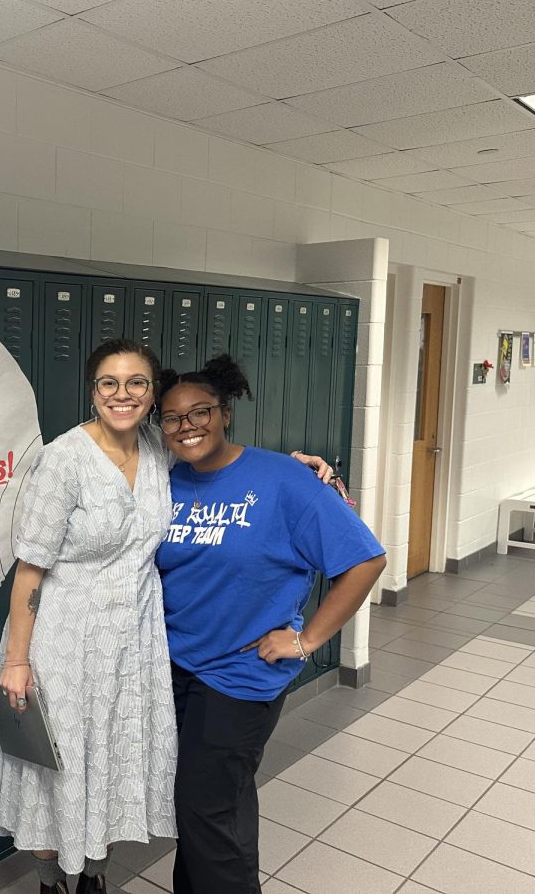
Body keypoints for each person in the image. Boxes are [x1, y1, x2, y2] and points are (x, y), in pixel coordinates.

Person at [0, 339, 331, 894]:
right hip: (64, 641)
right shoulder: (63, 459)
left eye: (136, 383)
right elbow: (29, 571)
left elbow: (214, 453)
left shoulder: (157, 446)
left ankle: (95, 876)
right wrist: (18, 660)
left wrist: (295, 469)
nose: (123, 394)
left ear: (151, 394)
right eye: (109, 384)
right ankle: (50, 879)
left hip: (138, 641)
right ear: (92, 392)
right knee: (52, 772)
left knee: (114, 763)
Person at [154, 354, 386, 894]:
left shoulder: (283, 479)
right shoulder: (167, 484)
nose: (187, 426)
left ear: (226, 413)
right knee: (215, 805)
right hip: (176, 666)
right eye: (172, 417)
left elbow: (364, 560)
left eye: (200, 412)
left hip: (239, 674)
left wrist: (307, 640)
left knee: (203, 807)